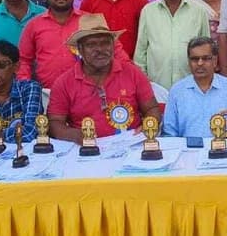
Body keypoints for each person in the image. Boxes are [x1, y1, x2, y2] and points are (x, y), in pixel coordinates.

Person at [48, 14, 160, 142]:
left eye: (105, 43)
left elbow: (152, 108)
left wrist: (149, 125)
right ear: (80, 49)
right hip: (85, 149)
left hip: (132, 145)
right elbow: (55, 123)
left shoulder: (132, 73)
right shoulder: (64, 83)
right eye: (91, 44)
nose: (100, 49)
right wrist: (76, 135)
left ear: (113, 45)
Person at [17, 0, 130, 90]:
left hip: (88, 92)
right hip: (47, 93)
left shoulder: (90, 21)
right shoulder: (34, 25)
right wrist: (26, 87)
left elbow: (117, 52)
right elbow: (24, 60)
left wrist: (132, 77)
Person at [134, 0, 210, 89]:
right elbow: (141, 53)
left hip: (191, 86)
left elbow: (206, 50)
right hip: (157, 87)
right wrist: (145, 84)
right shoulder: (148, 11)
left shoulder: (199, 11)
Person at [163, 37, 227, 138]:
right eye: (195, 59)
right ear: (189, 62)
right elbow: (169, 133)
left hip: (226, 147)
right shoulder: (177, 91)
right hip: (188, 148)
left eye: (206, 58)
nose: (200, 63)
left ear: (215, 61)